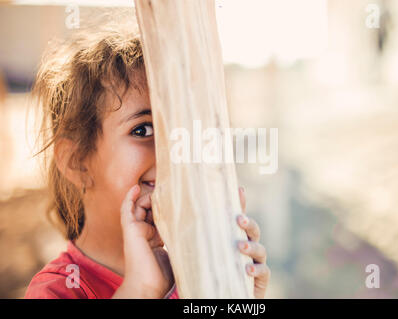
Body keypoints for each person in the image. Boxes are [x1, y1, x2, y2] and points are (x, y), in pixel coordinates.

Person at [24, 20, 270, 299]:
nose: (173, 152)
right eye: (143, 129)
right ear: (76, 161)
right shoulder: (57, 290)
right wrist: (141, 291)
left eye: (178, 132)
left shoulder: (189, 276)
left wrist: (241, 295)